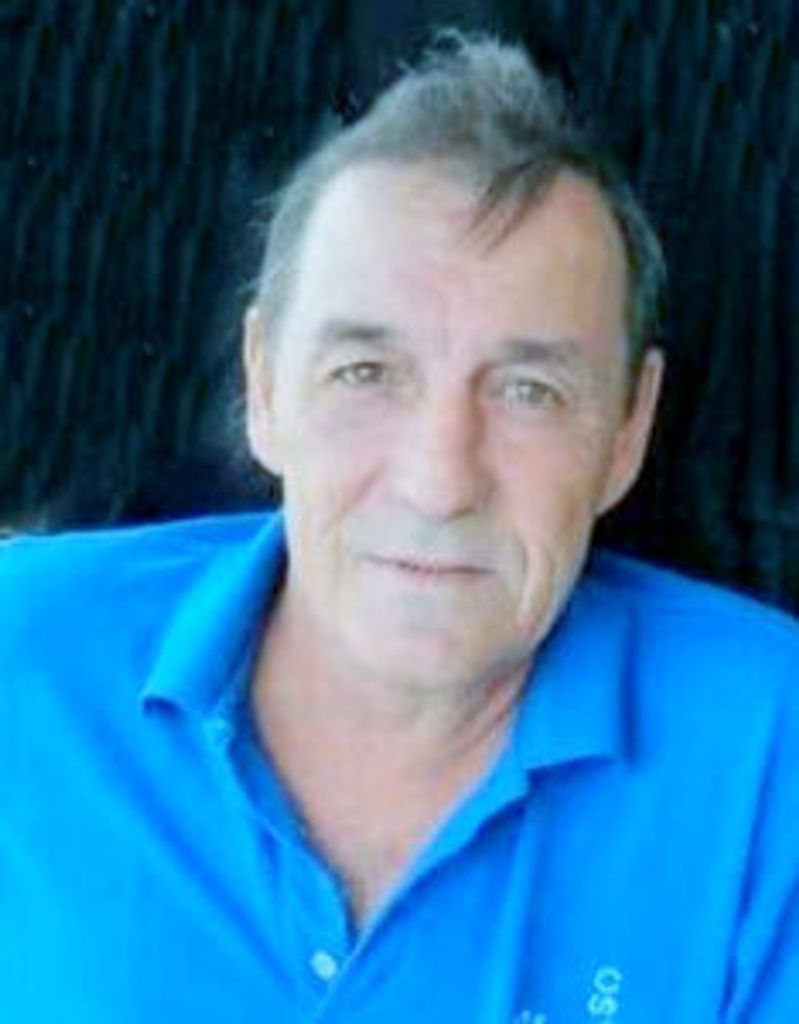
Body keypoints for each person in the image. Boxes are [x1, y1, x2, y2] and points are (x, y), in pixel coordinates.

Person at [1, 33, 797, 1024]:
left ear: (627, 429)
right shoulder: (24, 658)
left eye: (528, 390)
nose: (438, 482)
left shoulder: (771, 748)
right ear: (263, 386)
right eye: (366, 373)